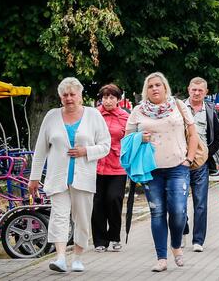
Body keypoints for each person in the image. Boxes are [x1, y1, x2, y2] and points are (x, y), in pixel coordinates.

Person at [29, 77, 112, 273]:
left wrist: (87, 151)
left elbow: (106, 146)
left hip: (83, 177)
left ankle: (77, 257)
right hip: (57, 177)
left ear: (80, 95)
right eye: (65, 95)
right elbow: (40, 149)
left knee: (82, 218)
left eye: (72, 94)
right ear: (60, 97)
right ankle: (59, 258)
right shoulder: (51, 116)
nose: (68, 98)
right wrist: (34, 177)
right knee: (59, 216)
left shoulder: (93, 116)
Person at [125, 72, 199, 272]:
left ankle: (176, 246)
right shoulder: (138, 111)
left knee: (178, 211)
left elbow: (193, 134)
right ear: (146, 91)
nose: (155, 89)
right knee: (157, 212)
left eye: (158, 85)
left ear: (165, 88)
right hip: (151, 170)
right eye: (150, 86)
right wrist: (141, 137)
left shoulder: (178, 106)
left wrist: (189, 159)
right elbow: (127, 139)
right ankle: (161, 258)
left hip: (178, 167)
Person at [182, 77, 219, 252]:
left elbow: (218, 138)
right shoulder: (179, 109)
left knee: (200, 203)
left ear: (206, 92)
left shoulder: (210, 111)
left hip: (201, 164)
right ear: (188, 90)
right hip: (181, 162)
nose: (197, 93)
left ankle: (198, 240)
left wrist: (206, 154)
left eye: (200, 90)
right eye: (194, 90)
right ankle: (182, 230)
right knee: (178, 202)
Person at [92, 83, 129, 253]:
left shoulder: (125, 117)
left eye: (112, 97)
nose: (108, 101)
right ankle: (99, 240)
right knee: (97, 202)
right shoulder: (93, 115)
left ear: (118, 100)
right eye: (105, 97)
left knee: (114, 199)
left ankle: (114, 236)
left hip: (117, 166)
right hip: (95, 165)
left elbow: (130, 140)